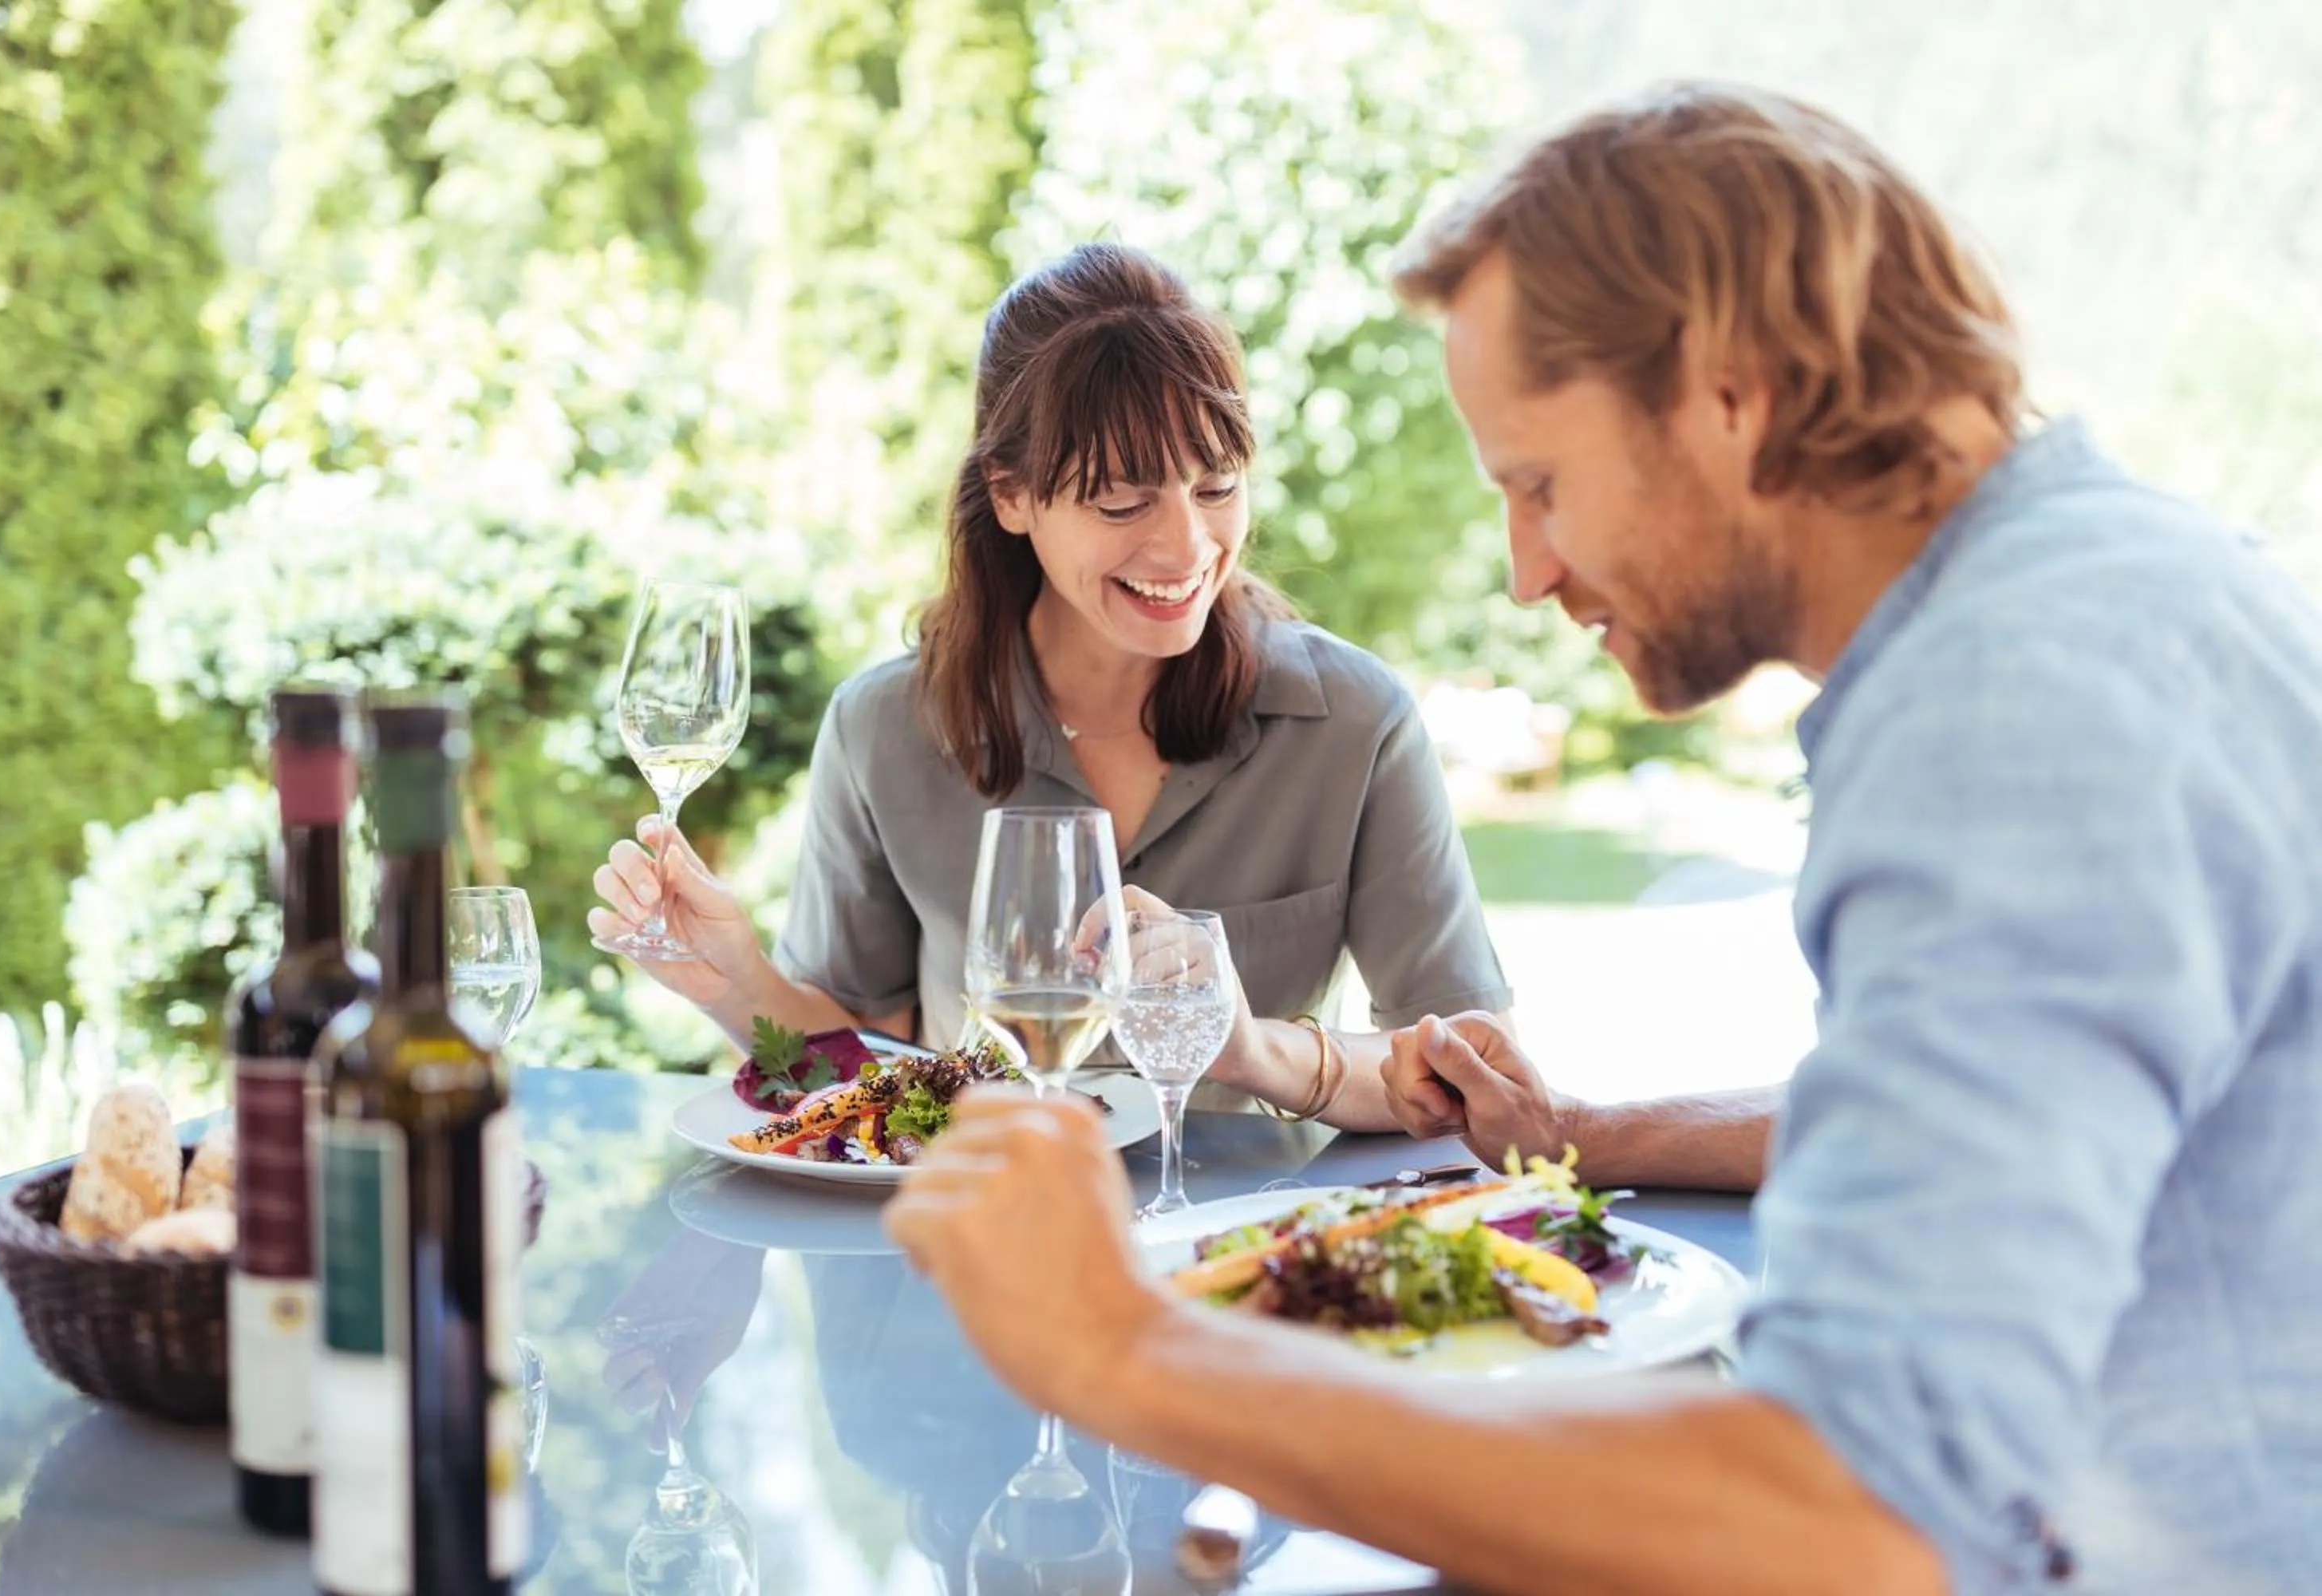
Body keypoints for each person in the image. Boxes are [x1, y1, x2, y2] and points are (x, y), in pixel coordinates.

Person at [883, 82, 2322, 1595]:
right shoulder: (2112, 598)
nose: (1525, 570)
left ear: (1727, 396)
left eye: (1542, 484)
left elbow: (1842, 1522)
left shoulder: (2011, 711)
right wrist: (1591, 1133)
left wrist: (1125, 1351)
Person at [592, 239, 1767, 1187]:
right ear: (1009, 496)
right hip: (966, 1302)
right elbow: (856, 1076)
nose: (1186, 548)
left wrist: (1251, 1048)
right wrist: (736, 980)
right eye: (1119, 502)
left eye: (1217, 488)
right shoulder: (886, 731)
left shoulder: (1353, 723)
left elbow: (1478, 1081)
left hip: (1254, 1302)